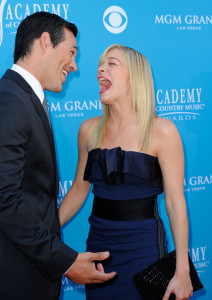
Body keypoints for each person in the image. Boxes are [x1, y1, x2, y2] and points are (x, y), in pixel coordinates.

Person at [59, 44, 193, 300]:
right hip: (98, 253)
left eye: (111, 63)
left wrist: (182, 271)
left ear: (135, 76)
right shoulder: (88, 129)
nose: (101, 68)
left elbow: (176, 203)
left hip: (143, 250)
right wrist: (42, 236)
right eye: (100, 63)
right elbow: (78, 190)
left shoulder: (162, 131)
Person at [0, 12, 116, 300]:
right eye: (71, 53)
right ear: (44, 42)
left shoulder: (24, 98)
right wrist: (64, 260)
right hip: (16, 277)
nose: (75, 66)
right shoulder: (11, 101)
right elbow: (5, 198)